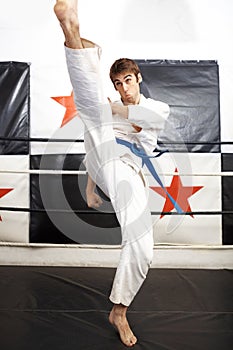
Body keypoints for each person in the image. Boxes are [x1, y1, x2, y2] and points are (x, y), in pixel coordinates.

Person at [54, 0, 170, 347]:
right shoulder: (110, 110)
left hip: (128, 171)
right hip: (106, 161)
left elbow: (142, 118)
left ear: (139, 79)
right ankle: (69, 25)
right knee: (93, 111)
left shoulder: (155, 107)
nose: (123, 86)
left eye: (128, 80)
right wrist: (91, 188)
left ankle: (118, 310)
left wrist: (116, 108)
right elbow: (98, 150)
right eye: (117, 82)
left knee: (143, 250)